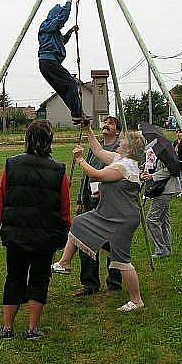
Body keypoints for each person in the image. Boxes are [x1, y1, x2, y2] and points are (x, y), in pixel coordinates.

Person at [0, 120, 70, 340]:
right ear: (50, 140)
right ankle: (32, 329)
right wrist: (63, 234)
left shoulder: (11, 165)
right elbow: (65, 207)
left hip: (16, 234)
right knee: (39, 279)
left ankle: (7, 328)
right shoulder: (58, 170)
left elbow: (0, 200)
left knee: (14, 277)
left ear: (27, 139)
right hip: (45, 236)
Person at [52, 126, 146, 314]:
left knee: (122, 260)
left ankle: (136, 300)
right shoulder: (120, 160)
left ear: (129, 148)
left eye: (124, 141)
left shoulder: (125, 165)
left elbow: (97, 174)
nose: (120, 142)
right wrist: (87, 130)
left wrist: (79, 160)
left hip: (121, 218)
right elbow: (98, 151)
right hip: (110, 214)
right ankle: (65, 263)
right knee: (79, 222)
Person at [74, 116, 122, 296]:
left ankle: (115, 282)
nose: (106, 124)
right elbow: (86, 175)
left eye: (111, 123)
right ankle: (90, 284)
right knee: (85, 240)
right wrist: (80, 199)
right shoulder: (96, 148)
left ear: (117, 130)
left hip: (110, 203)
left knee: (113, 242)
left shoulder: (119, 150)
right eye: (105, 122)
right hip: (90, 201)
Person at [38, 0, 89, 124]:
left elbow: (61, 41)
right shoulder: (46, 25)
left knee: (64, 90)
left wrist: (70, 32)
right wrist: (69, 0)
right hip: (49, 62)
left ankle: (77, 115)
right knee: (71, 84)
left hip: (47, 64)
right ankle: (77, 114)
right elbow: (62, 18)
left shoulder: (53, 32)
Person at [143, 156, 180, 260]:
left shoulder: (165, 154)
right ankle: (166, 249)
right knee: (163, 220)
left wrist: (152, 176)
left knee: (151, 219)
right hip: (166, 190)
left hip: (165, 190)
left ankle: (161, 249)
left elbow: (170, 170)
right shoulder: (162, 153)